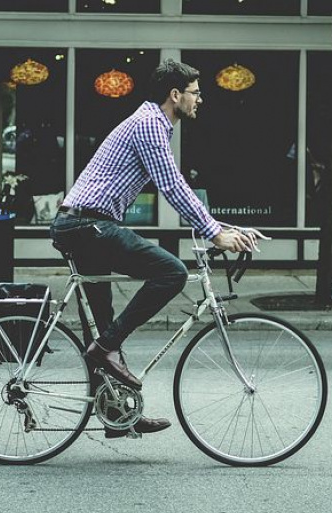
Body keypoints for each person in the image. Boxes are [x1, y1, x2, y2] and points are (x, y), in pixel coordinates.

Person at [50, 59, 254, 439]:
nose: (200, 99)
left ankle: (115, 412)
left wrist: (228, 229)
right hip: (87, 225)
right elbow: (173, 186)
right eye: (195, 92)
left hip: (84, 224)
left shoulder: (152, 124)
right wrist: (213, 233)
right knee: (172, 272)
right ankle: (105, 351)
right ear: (175, 95)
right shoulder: (149, 126)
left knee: (104, 322)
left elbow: (175, 188)